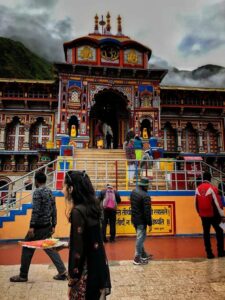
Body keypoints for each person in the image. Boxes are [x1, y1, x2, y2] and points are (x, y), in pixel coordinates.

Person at [10, 172, 67, 282]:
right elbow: (54, 209)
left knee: (27, 247)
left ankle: (23, 275)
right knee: (50, 248)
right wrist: (54, 224)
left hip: (37, 227)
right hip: (47, 226)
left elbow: (36, 210)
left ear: (36, 181)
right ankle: (63, 272)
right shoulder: (50, 192)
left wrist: (32, 226)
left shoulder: (37, 192)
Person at [63, 170, 111, 300]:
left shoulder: (78, 211)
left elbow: (78, 251)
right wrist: (67, 244)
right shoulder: (93, 206)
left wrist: (72, 278)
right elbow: (89, 238)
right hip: (98, 266)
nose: (63, 190)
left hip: (86, 271)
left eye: (64, 186)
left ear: (71, 188)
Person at [195, 171, 225, 259]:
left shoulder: (197, 188)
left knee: (206, 234)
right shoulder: (213, 188)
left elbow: (195, 204)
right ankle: (220, 252)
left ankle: (209, 253)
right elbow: (218, 203)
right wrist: (222, 215)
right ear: (210, 179)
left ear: (203, 178)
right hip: (214, 215)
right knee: (219, 231)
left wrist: (200, 214)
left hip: (203, 216)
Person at [130, 177, 152, 265]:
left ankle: (143, 255)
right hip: (141, 221)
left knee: (140, 238)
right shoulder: (145, 196)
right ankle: (137, 258)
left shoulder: (133, 192)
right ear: (145, 186)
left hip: (134, 219)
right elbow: (147, 212)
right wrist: (150, 223)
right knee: (140, 238)